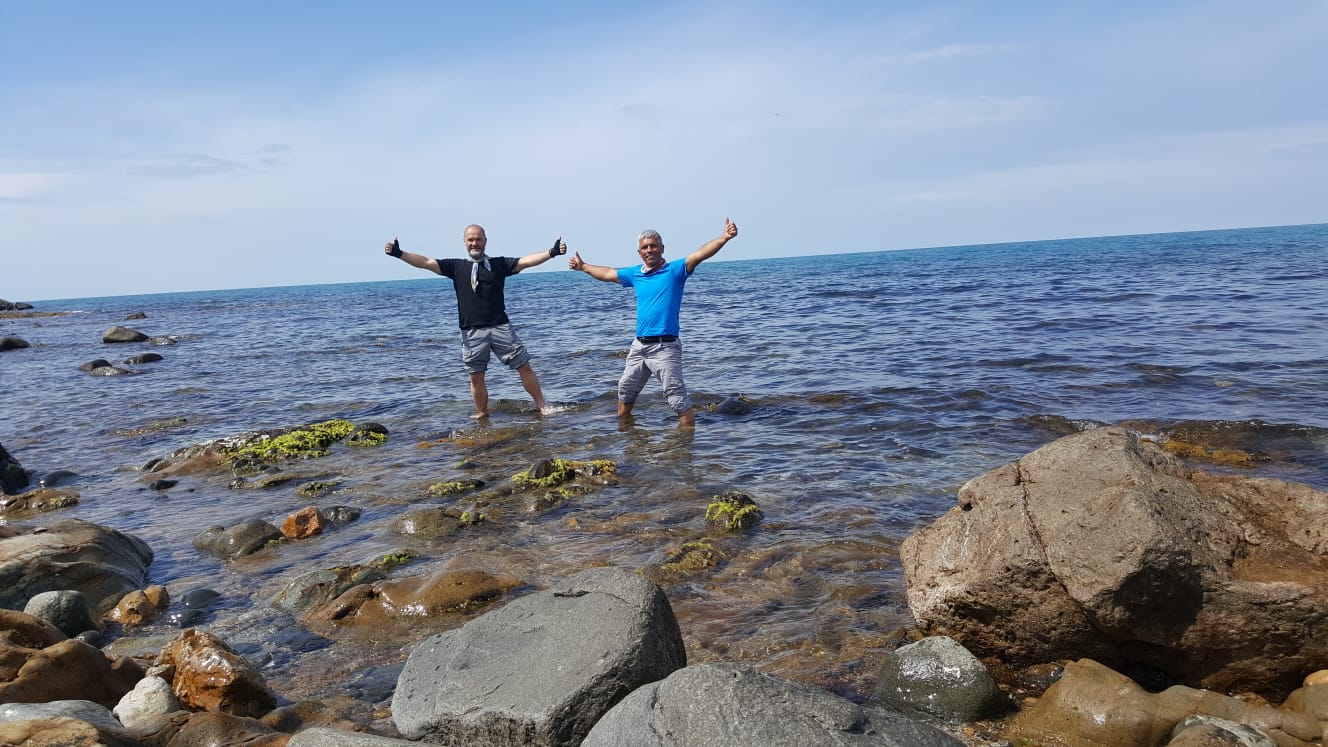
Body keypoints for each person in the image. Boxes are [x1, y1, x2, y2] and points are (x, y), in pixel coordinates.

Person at [567, 217, 739, 428]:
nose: (649, 250)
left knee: (676, 398)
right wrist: (583, 266)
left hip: (665, 347)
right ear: (639, 252)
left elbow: (700, 254)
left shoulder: (675, 270)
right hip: (638, 347)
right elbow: (608, 273)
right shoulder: (635, 274)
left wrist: (724, 237)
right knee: (625, 391)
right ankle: (625, 430)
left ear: (662, 248)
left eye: (653, 246)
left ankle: (685, 442)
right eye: (645, 247)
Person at [384, 225, 565, 418]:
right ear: (464, 241)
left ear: (485, 241)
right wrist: (399, 254)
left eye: (478, 239)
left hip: (501, 327)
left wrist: (552, 252)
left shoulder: (499, 265)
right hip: (471, 331)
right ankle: (481, 413)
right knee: (476, 376)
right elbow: (426, 262)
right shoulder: (456, 267)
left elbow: (526, 261)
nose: (474, 243)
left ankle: (542, 406)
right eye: (470, 239)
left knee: (524, 366)